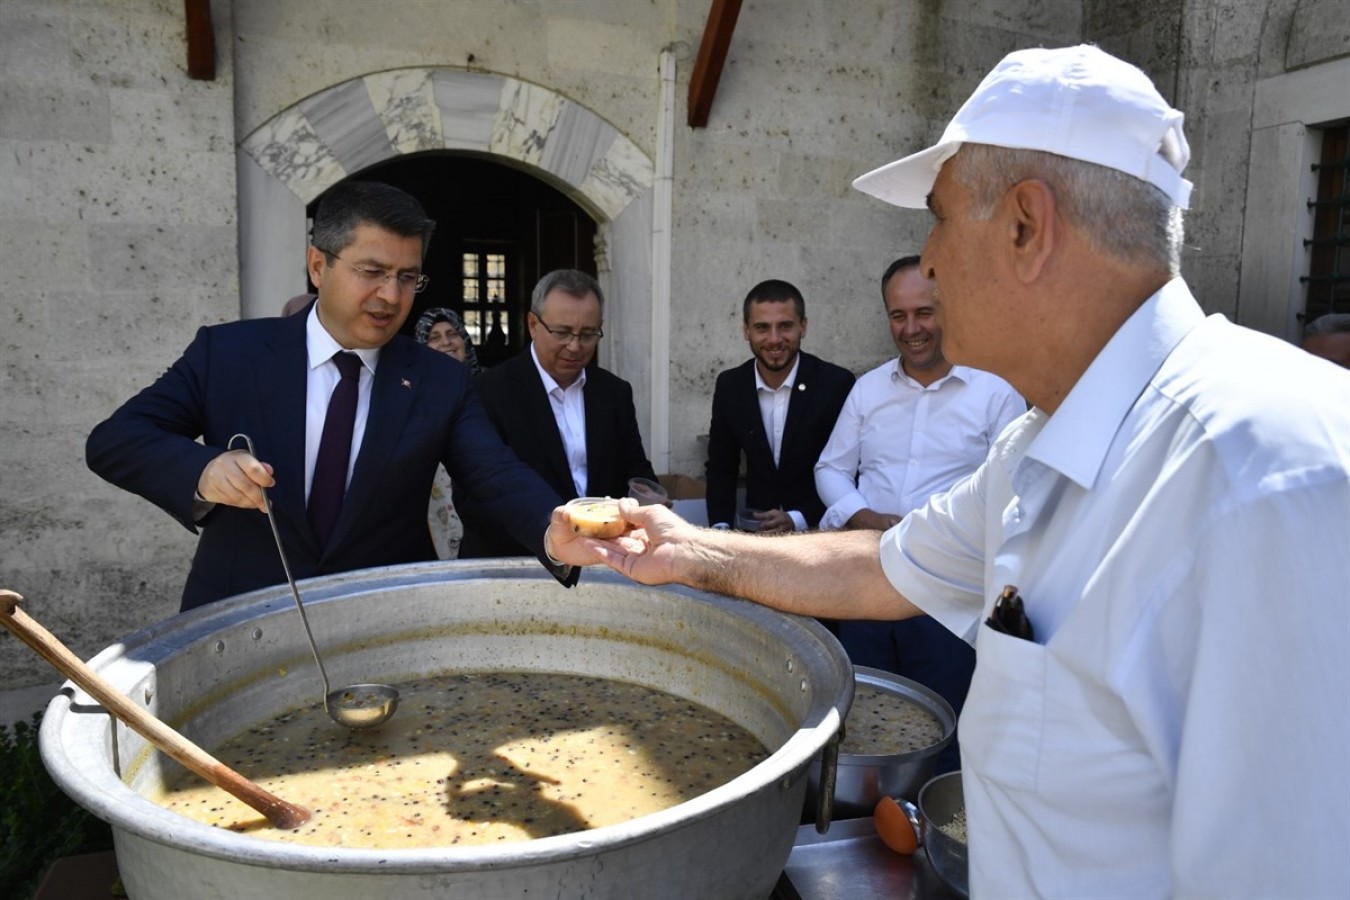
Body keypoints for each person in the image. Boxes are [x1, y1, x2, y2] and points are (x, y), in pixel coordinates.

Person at [548, 44, 1350, 898]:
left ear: (1025, 227)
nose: (926, 263)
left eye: (935, 217)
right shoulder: (1040, 446)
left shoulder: (1267, 476)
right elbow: (878, 565)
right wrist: (687, 550)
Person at [87, 180, 577, 612]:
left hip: (385, 620)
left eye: (408, 277)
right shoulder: (228, 353)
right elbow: (116, 439)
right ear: (318, 265)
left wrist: (556, 531)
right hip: (242, 617)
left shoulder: (439, 380)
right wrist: (202, 470)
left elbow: (494, 474)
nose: (391, 295)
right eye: (372, 271)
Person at [814, 255, 1024, 773]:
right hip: (868, 575)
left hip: (949, 592)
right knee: (865, 716)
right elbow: (831, 468)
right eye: (898, 315)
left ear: (947, 309)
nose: (911, 329)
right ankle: (869, 829)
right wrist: (863, 516)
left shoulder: (995, 393)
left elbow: (1017, 493)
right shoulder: (868, 389)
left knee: (945, 722)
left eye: (923, 313)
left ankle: (935, 827)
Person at [455, 269, 658, 559]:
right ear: (533, 324)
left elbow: (635, 469)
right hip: (514, 566)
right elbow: (473, 498)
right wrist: (555, 540)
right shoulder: (487, 392)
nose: (575, 346)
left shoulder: (614, 392)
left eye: (588, 334)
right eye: (562, 333)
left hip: (603, 562)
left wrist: (648, 502)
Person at [704, 279, 854, 533]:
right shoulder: (731, 385)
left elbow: (848, 469)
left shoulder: (835, 384)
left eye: (785, 326)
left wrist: (798, 518)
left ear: (803, 327)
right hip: (758, 535)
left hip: (821, 533)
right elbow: (721, 467)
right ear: (746, 330)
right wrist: (720, 530)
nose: (774, 339)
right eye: (762, 327)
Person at [413, 307, 482, 560]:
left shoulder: (488, 389)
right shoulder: (411, 394)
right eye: (434, 337)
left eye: (452, 333)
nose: (446, 342)